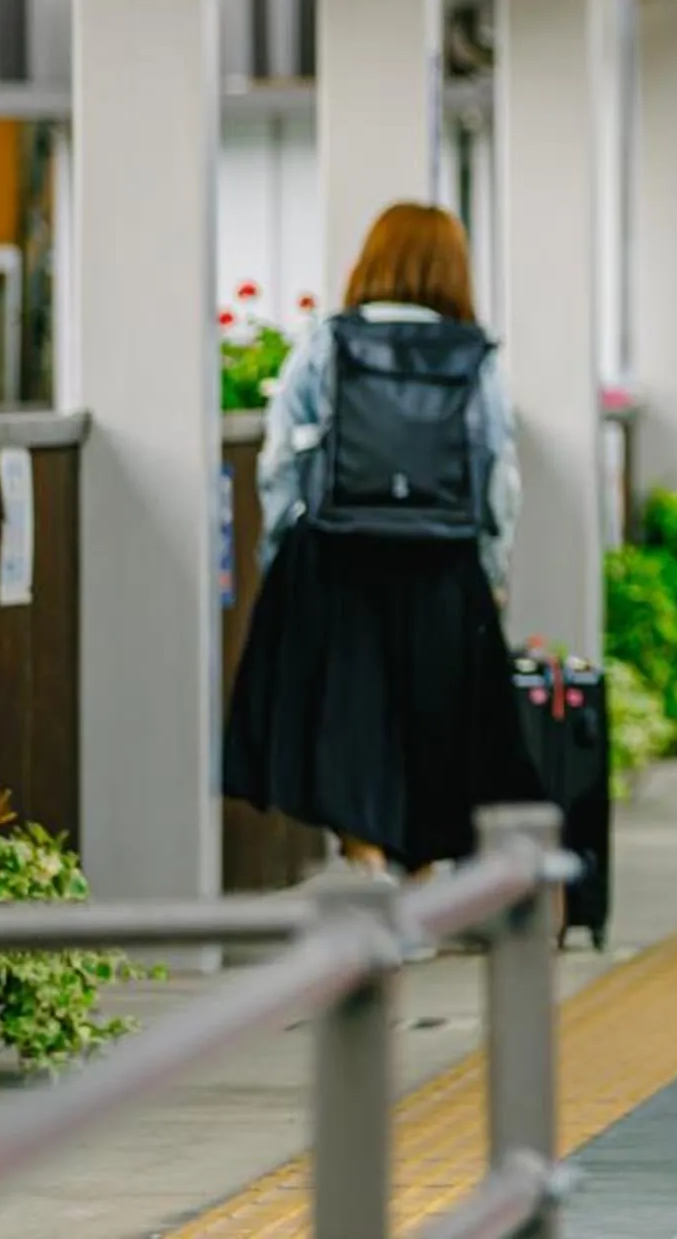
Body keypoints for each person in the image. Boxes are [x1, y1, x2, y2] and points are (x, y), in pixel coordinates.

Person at [223, 203, 542, 876]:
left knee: (346, 714)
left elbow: (282, 456)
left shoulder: (327, 344)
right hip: (441, 561)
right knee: (435, 720)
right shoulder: (474, 356)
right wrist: (491, 562)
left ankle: (361, 852)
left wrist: (282, 545)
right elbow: (496, 471)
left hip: (337, 557)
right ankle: (420, 877)